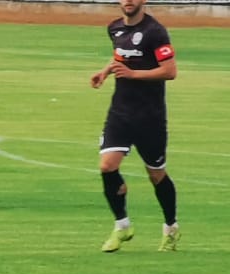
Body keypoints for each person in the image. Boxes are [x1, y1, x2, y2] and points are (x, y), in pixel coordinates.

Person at [90, 0, 179, 253]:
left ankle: (171, 227)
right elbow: (121, 55)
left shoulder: (155, 31)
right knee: (107, 165)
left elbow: (170, 71)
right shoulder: (115, 28)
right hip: (120, 112)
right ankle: (122, 225)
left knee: (156, 174)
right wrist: (106, 71)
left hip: (150, 117)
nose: (128, 1)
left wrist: (133, 75)